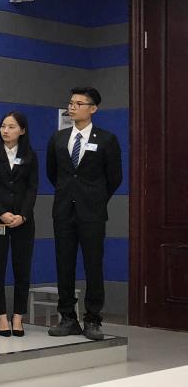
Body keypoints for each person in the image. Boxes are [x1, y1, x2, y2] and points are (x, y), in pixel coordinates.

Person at [46, 87, 122, 341]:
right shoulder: (58, 138)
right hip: (63, 210)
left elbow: (114, 178)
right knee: (64, 264)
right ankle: (68, 317)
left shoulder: (107, 139)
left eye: (79, 103)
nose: (73, 107)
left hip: (92, 212)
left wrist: (95, 199)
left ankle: (93, 319)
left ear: (93, 108)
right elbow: (53, 173)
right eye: (71, 103)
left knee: (93, 265)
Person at [0, 112, 38, 337]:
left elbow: (32, 189)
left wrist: (23, 215)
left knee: (22, 269)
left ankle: (18, 316)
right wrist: (2, 213)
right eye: (3, 126)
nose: (6, 130)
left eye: (11, 127)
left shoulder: (30, 156)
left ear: (22, 130)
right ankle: (1, 316)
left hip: (23, 221)